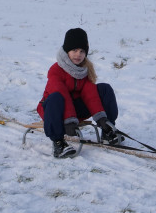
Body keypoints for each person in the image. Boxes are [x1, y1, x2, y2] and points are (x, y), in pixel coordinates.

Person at [37, 28, 123, 158]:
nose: (78, 54)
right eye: (74, 50)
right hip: (55, 110)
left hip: (74, 111)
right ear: (66, 51)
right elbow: (62, 94)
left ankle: (108, 131)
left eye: (82, 51)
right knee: (56, 97)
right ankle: (58, 143)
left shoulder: (84, 70)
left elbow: (90, 95)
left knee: (104, 89)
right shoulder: (56, 70)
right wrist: (69, 120)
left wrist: (101, 118)